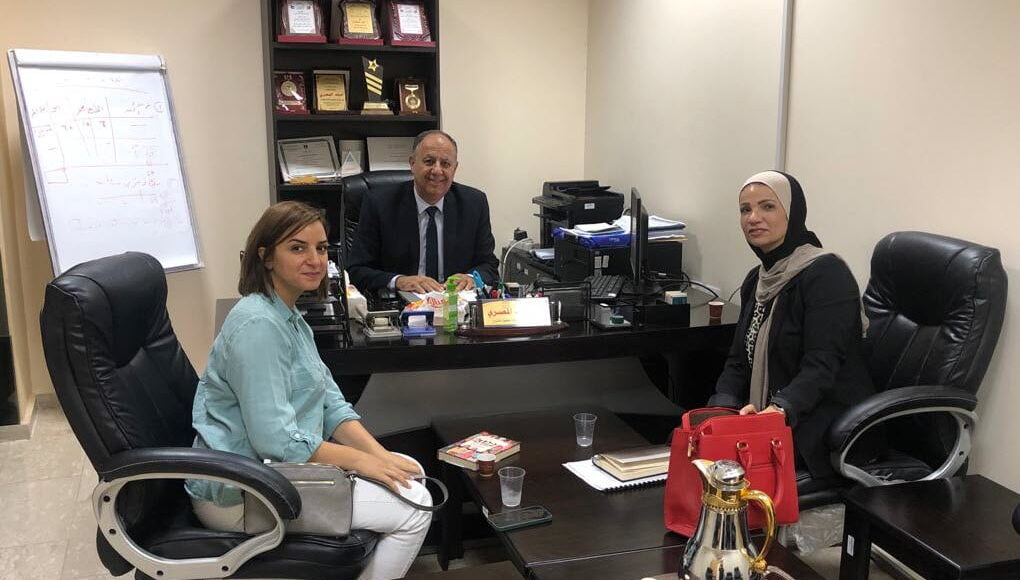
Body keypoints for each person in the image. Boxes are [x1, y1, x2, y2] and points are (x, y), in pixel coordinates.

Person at [186, 201, 432, 580]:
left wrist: (379, 456)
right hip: (244, 491)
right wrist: (360, 462)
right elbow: (275, 440)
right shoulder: (258, 326)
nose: (315, 260)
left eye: (321, 248)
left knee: (410, 472)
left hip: (274, 471)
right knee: (416, 507)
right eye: (298, 248)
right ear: (266, 257)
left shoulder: (288, 316)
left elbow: (331, 404)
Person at [707, 171, 874, 479]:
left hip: (822, 425)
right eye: (745, 209)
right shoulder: (757, 280)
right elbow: (738, 361)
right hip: (769, 414)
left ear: (793, 212)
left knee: (726, 475)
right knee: (697, 453)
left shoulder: (827, 274)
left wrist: (778, 410)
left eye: (768, 206)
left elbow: (822, 366)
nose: (753, 218)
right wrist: (722, 409)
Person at [347, 129, 499, 294]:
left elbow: (489, 266)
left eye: (445, 164)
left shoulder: (474, 204)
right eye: (429, 161)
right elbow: (357, 271)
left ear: (454, 169)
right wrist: (399, 281)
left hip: (455, 303)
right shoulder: (379, 203)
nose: (437, 170)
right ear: (412, 164)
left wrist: (470, 278)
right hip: (402, 303)